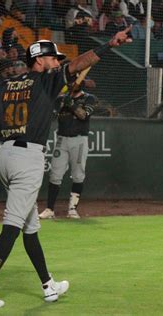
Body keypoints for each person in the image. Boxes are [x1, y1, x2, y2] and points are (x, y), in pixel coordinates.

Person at [0, 28, 132, 308]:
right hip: (27, 159)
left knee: (30, 227)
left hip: (4, 157)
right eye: (53, 58)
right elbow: (78, 65)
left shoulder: (7, 85)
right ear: (40, 60)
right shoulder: (47, 80)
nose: (57, 62)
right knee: (12, 227)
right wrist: (109, 44)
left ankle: (48, 286)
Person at [39, 81, 98, 220]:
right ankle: (49, 209)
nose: (73, 84)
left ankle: (72, 210)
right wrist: (60, 103)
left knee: (78, 174)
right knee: (55, 174)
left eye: (76, 82)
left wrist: (71, 104)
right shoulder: (60, 99)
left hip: (79, 139)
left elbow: (83, 115)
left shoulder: (90, 98)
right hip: (62, 138)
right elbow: (52, 116)